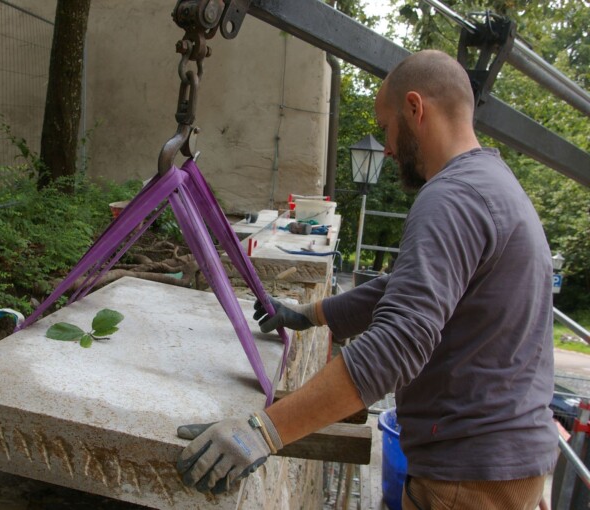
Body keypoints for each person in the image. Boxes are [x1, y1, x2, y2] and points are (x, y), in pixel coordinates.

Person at [176, 49, 557, 509]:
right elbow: (402, 288)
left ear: (415, 108)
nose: (388, 146)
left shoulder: (452, 198)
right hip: (504, 460)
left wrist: (264, 431)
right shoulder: (492, 184)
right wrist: (307, 313)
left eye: (387, 126)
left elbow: (401, 340)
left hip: (468, 473)